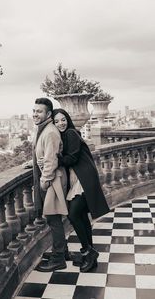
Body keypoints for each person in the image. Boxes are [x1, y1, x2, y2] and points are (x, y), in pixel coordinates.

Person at [51, 108, 110, 272]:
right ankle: (89, 255)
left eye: (63, 119)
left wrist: (54, 159)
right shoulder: (65, 135)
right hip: (79, 177)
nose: (60, 123)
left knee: (74, 214)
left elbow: (72, 158)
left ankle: (88, 252)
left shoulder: (71, 133)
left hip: (83, 179)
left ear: (67, 119)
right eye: (56, 121)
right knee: (82, 215)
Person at [31, 98, 69, 272]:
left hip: (52, 180)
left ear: (48, 114)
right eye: (34, 111)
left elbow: (51, 160)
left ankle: (58, 258)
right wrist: (31, 163)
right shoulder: (44, 130)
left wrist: (44, 181)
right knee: (53, 218)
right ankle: (63, 251)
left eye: (39, 111)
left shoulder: (50, 132)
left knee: (54, 219)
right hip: (51, 179)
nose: (35, 114)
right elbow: (43, 153)